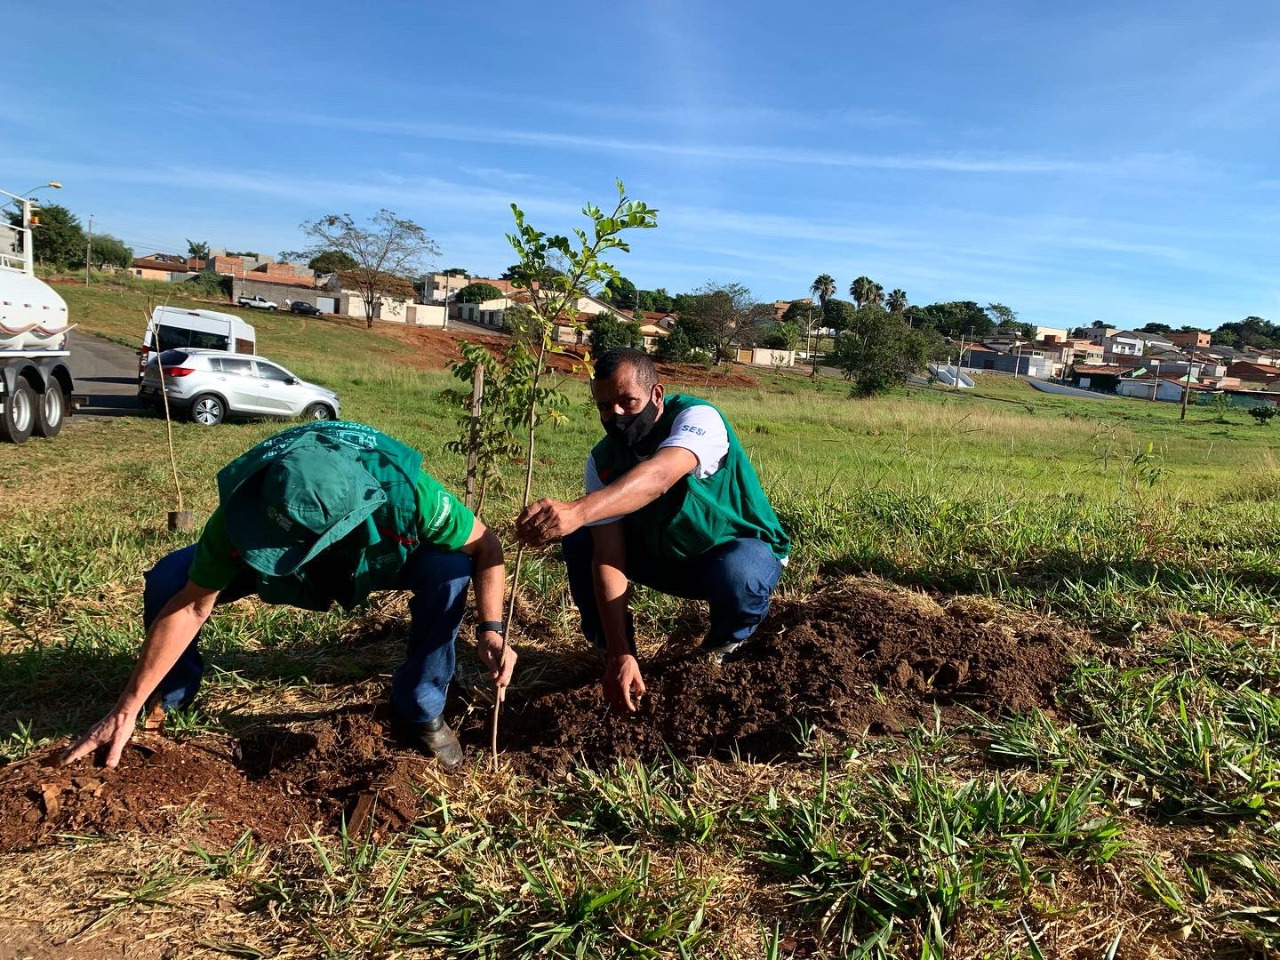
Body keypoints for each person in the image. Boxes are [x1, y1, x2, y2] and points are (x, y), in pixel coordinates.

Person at [63, 421, 514, 771]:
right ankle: (166, 698)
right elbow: (191, 605)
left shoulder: (410, 495)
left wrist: (491, 630)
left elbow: (485, 546)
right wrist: (125, 705)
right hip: (269, 562)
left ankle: (421, 707)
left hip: (377, 555)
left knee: (450, 568)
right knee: (170, 579)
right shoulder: (247, 505)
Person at [516, 348, 789, 713]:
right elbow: (609, 557)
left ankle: (722, 648)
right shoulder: (603, 460)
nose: (614, 415)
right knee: (584, 538)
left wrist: (578, 510)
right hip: (665, 558)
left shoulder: (698, 418)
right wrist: (620, 651)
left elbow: (659, 476)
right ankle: (611, 650)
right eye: (602, 406)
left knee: (740, 574)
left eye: (627, 402)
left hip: (730, 551)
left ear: (656, 395)